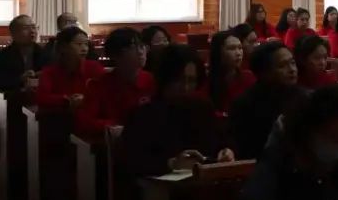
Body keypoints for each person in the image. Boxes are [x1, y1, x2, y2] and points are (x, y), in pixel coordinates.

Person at [122, 44, 234, 178]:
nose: (186, 87)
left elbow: (221, 142)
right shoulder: (143, 115)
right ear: (165, 79)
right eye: (179, 80)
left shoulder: (203, 108)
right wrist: (172, 163)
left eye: (191, 81)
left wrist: (225, 151)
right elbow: (133, 161)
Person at [229, 41, 302, 160]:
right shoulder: (245, 105)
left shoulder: (305, 98)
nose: (292, 69)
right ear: (264, 73)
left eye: (293, 63)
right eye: (282, 66)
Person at [77, 27, 154, 134]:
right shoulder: (100, 85)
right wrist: (118, 125)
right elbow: (84, 122)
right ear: (115, 55)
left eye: (142, 46)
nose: (140, 52)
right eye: (132, 47)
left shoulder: (152, 81)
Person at [36, 26, 105, 111]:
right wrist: (67, 100)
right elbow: (41, 98)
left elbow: (106, 93)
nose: (84, 49)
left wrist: (86, 99)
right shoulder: (49, 72)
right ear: (63, 47)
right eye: (79, 44)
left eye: (86, 44)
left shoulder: (94, 67)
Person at [205, 30, 256, 113]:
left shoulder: (249, 78)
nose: (238, 53)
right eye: (232, 48)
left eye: (240, 48)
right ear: (218, 52)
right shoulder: (206, 81)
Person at [0, 14, 46, 94]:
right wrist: (20, 79)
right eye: (26, 28)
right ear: (13, 33)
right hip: (13, 97)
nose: (32, 31)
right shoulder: (4, 56)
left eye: (34, 27)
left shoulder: (44, 52)